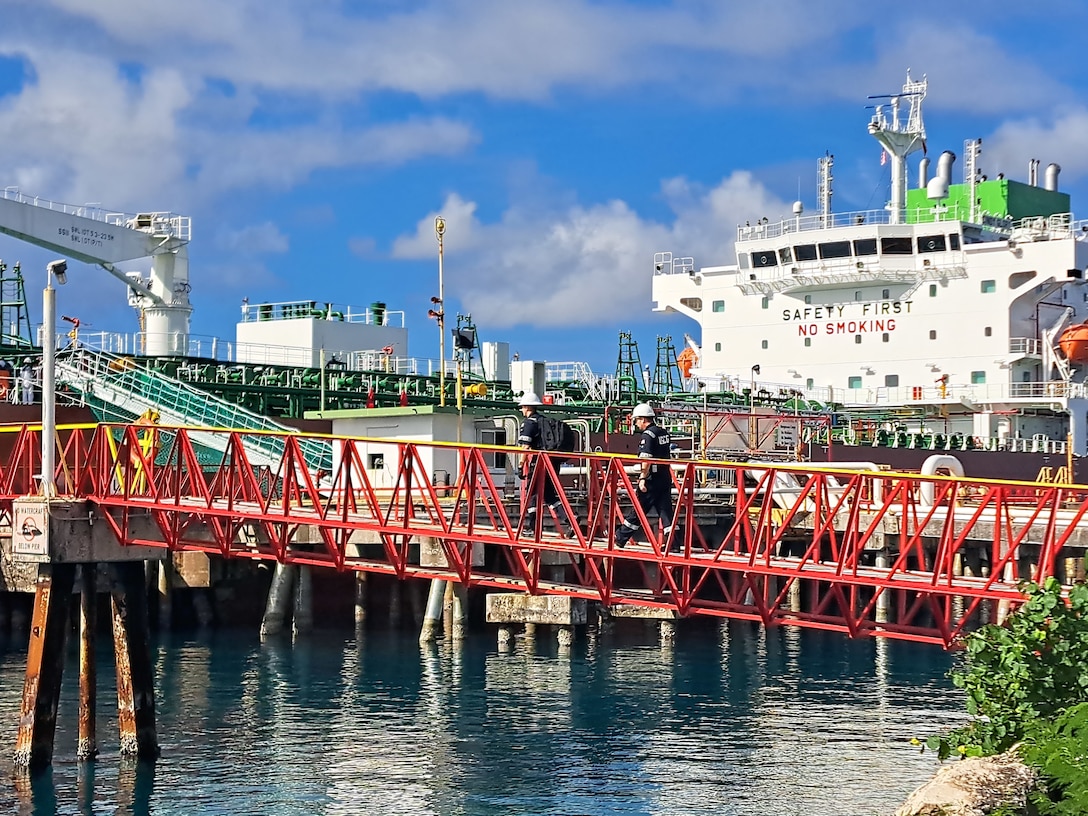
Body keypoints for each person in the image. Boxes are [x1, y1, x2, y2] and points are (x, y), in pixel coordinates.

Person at [615, 403, 675, 549]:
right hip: (665, 476)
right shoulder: (663, 433)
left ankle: (621, 537)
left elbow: (646, 459)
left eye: (636, 420)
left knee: (639, 508)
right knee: (665, 511)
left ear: (643, 419)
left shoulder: (648, 435)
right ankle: (673, 543)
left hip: (652, 478)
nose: (636, 424)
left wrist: (642, 478)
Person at [517, 392, 575, 538]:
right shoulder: (545, 421)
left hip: (540, 463)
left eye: (522, 407)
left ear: (527, 407)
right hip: (553, 461)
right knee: (549, 496)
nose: (521, 410)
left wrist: (520, 464)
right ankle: (571, 521)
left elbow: (525, 446)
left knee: (532, 495)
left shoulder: (529, 423)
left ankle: (534, 528)